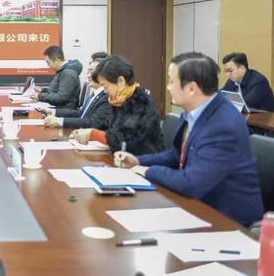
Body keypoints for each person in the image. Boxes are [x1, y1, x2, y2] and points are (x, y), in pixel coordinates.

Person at [115, 52, 264, 226]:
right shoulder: (191, 111)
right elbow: (177, 155)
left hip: (228, 221)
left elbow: (192, 183)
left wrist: (147, 171)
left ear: (192, 88)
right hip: (196, 205)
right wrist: (138, 161)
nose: (168, 87)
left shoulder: (223, 125)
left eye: (172, 81)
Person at [69, 55, 162, 155]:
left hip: (142, 159)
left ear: (120, 81)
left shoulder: (141, 102)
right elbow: (110, 129)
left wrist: (93, 134)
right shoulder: (118, 100)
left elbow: (125, 141)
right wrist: (85, 132)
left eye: (105, 86)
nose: (105, 91)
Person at [42, 57, 110, 130]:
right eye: (88, 72)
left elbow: (94, 123)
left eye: (92, 72)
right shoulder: (96, 94)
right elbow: (81, 113)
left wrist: (59, 121)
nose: (88, 76)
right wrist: (53, 112)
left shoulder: (106, 97)